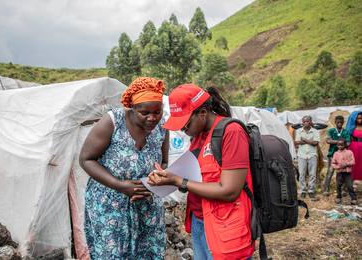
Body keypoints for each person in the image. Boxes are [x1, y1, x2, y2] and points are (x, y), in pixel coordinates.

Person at [148, 84, 254, 260]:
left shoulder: (231, 132)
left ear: (203, 113)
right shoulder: (198, 137)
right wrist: (171, 179)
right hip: (200, 221)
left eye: (186, 123)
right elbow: (199, 179)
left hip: (225, 226)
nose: (183, 129)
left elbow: (229, 191)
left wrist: (179, 181)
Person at [79, 77, 169, 259]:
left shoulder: (163, 128)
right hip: (110, 205)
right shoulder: (113, 121)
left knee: (147, 254)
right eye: (145, 113)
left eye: (157, 111)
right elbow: (86, 159)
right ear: (132, 107)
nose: (153, 118)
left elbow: (164, 162)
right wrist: (120, 185)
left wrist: (156, 179)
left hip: (147, 206)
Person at [323, 116, 351, 196]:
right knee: (330, 171)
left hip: (343, 155)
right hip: (332, 154)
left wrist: (333, 141)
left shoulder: (345, 132)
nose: (339, 124)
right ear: (335, 122)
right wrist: (342, 142)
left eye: (341, 122)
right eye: (338, 122)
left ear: (343, 122)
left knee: (343, 171)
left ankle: (342, 190)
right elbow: (328, 141)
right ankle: (326, 189)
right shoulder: (331, 130)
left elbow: (348, 143)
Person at [295, 116, 320, 199]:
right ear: (302, 122)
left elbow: (316, 142)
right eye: (304, 121)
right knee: (302, 174)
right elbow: (298, 142)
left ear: (311, 122)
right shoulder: (299, 131)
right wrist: (310, 141)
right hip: (302, 155)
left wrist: (304, 140)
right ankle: (303, 190)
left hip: (312, 154)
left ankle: (311, 190)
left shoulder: (315, 131)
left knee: (312, 174)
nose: (306, 123)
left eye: (308, 121)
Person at [331, 138, 357, 204]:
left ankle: (354, 198)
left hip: (347, 172)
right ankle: (338, 197)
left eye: (342, 145)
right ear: (337, 145)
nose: (340, 146)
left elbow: (353, 161)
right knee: (338, 185)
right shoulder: (336, 154)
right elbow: (333, 163)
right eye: (339, 145)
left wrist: (346, 164)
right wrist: (338, 167)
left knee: (350, 185)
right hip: (339, 172)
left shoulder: (349, 152)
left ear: (345, 145)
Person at [345, 111, 362, 182]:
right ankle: (349, 183)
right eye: (358, 118)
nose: (360, 120)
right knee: (354, 164)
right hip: (354, 147)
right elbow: (348, 137)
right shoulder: (351, 127)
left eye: (361, 118)